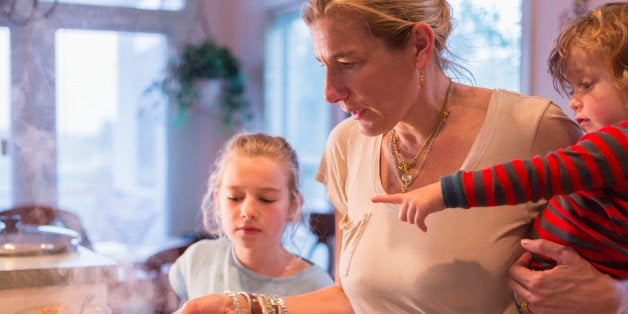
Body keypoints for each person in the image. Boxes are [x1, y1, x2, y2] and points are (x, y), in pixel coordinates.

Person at [174, 0, 584, 312]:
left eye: (348, 64)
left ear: (420, 46)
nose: (330, 92)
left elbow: (606, 259)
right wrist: (244, 306)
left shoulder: (532, 132)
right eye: (322, 65)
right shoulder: (346, 145)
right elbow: (351, 299)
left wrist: (614, 295)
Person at [372, 2, 628, 312]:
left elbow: (538, 176)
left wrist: (443, 192)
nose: (573, 101)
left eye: (586, 85)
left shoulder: (619, 145)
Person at [168, 133, 333, 303]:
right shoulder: (197, 260)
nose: (248, 211)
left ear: (293, 206)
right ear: (218, 200)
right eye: (235, 197)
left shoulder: (317, 289)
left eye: (266, 199)